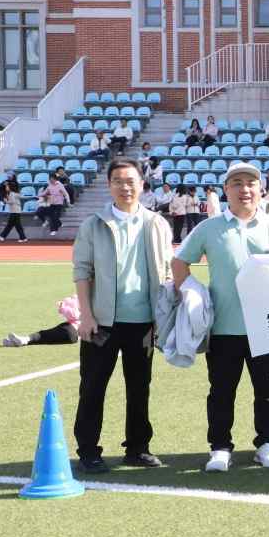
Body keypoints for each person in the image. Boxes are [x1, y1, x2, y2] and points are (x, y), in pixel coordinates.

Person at [173, 162, 269, 471]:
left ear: (260, 189)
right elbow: (179, 263)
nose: (244, 189)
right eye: (237, 183)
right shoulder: (209, 227)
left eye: (250, 183)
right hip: (223, 327)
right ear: (226, 190)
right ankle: (220, 447)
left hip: (267, 327)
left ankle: (268, 444)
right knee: (221, 392)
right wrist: (193, 295)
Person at [71, 158, 174, 472]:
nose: (125, 187)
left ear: (142, 184)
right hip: (101, 323)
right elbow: (82, 271)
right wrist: (86, 315)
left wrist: (163, 317)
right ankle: (88, 450)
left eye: (131, 181)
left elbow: (167, 272)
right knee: (92, 387)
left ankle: (138, 448)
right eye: (118, 181)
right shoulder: (94, 224)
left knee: (140, 388)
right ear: (109, 185)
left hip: (143, 322)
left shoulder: (157, 223)